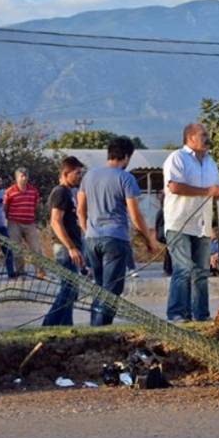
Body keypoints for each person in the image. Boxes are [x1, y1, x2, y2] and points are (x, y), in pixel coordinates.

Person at [78, 137, 156, 326]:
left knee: (99, 287)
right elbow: (136, 217)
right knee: (112, 290)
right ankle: (101, 329)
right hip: (115, 238)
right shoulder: (125, 178)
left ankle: (94, 327)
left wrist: (88, 230)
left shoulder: (89, 176)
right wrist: (149, 240)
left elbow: (80, 210)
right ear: (127, 156)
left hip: (92, 238)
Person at [162, 123, 219, 322]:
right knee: (183, 269)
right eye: (203, 135)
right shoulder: (177, 158)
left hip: (202, 225)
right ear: (190, 138)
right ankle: (176, 314)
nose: (207, 138)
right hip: (179, 224)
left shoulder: (211, 162)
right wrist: (207, 192)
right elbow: (174, 186)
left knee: (201, 272)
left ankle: (201, 315)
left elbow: (216, 191)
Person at [42, 156, 85, 326]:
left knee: (71, 290)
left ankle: (67, 325)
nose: (79, 176)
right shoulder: (60, 192)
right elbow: (55, 221)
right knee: (68, 289)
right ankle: (49, 324)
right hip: (64, 248)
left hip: (72, 247)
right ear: (65, 173)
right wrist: (71, 247)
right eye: (77, 173)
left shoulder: (69, 192)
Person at [4, 167, 45, 278]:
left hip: (30, 222)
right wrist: (8, 218)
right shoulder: (9, 191)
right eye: (22, 176)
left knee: (36, 248)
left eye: (26, 175)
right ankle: (21, 272)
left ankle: (40, 272)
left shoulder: (33, 190)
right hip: (14, 223)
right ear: (17, 178)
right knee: (17, 249)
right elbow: (5, 207)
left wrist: (36, 218)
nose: (24, 178)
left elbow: (37, 205)